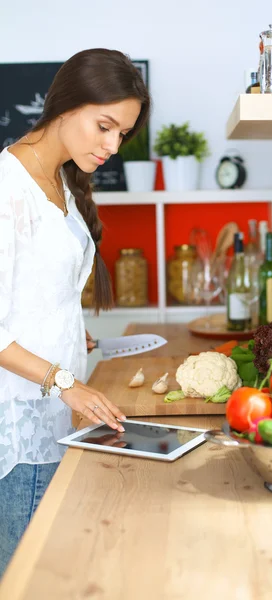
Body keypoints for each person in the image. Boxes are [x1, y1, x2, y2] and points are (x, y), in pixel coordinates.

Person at [0, 48, 151, 577]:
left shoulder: (61, 178)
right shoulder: (6, 188)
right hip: (20, 431)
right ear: (64, 105)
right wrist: (64, 380)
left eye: (122, 134)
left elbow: (37, 291)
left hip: (58, 415)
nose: (112, 145)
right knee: (30, 578)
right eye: (104, 126)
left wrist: (70, 331)